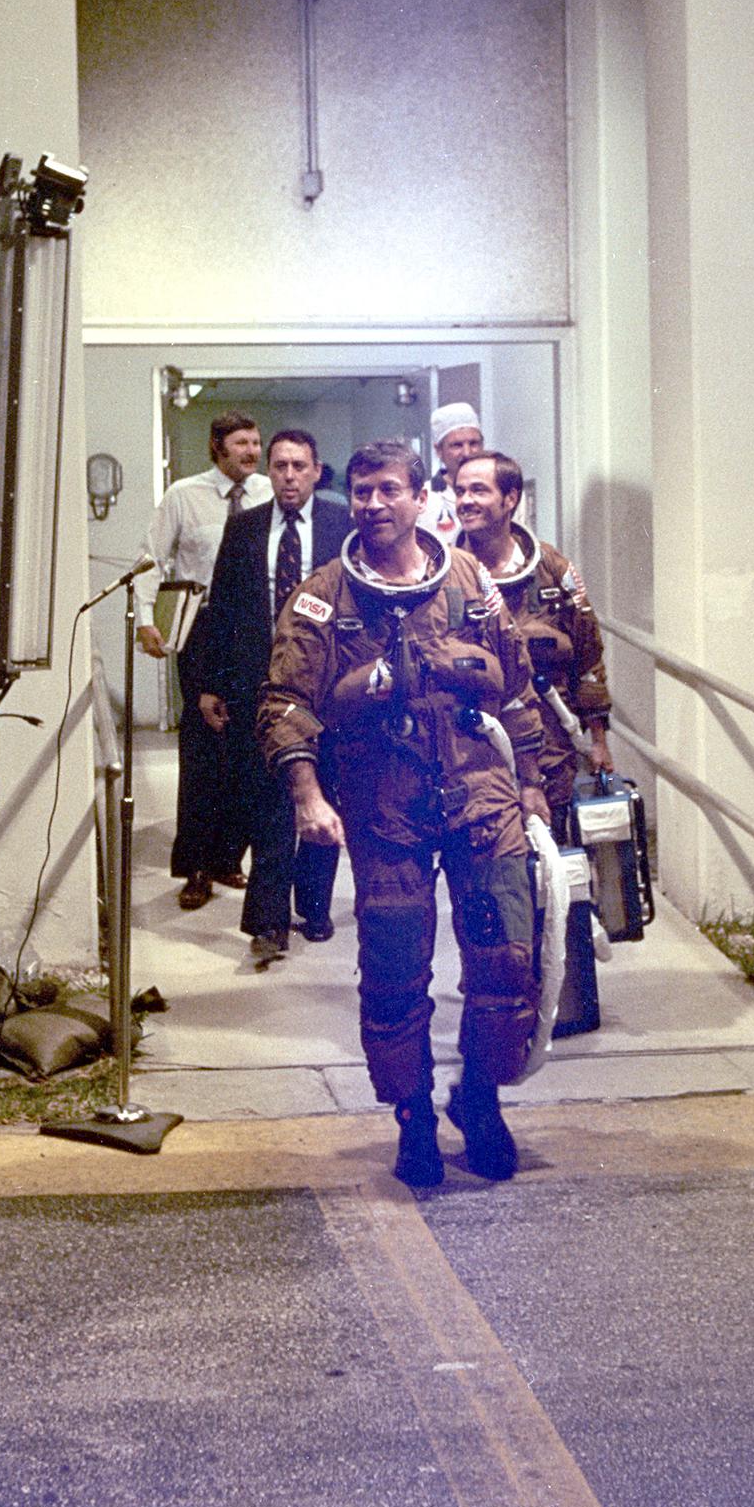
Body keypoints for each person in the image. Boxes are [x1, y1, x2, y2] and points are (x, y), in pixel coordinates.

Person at [259, 439, 550, 1189]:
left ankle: (479, 1100)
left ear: (423, 499)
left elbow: (516, 686)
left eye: (390, 490)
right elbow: (286, 702)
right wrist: (308, 794)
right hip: (382, 798)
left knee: (505, 958)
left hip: (480, 790)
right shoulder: (324, 599)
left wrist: (538, 783)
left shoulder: (468, 579)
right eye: (362, 492)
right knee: (393, 969)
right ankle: (414, 1115)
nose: (374, 504)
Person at [198, 429, 349, 968]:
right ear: (270, 470)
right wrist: (213, 683)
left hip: (327, 687)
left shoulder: (341, 525)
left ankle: (313, 906)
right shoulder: (243, 529)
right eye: (279, 465)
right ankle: (267, 922)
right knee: (267, 803)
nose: (288, 476)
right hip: (260, 685)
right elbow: (221, 609)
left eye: (298, 466)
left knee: (320, 791)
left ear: (315, 471)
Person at [135, 411, 271, 909]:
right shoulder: (183, 496)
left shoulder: (268, 495)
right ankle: (193, 866)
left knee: (244, 747)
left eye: (256, 442)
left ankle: (227, 858)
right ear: (218, 447)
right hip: (202, 629)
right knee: (201, 748)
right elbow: (151, 558)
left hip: (253, 632)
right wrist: (145, 619)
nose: (252, 452)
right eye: (241, 443)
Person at [452, 450, 613, 826]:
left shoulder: (551, 570)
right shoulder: (444, 573)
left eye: (478, 490)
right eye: (460, 492)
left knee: (557, 855)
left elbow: (588, 655)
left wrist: (599, 740)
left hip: (550, 739)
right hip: (474, 745)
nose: (465, 501)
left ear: (510, 499)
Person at [421, 401, 483, 546]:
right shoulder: (423, 497)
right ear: (438, 450)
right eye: (457, 445)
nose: (467, 453)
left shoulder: (499, 491)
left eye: (473, 443)